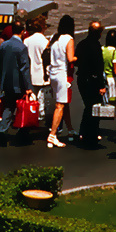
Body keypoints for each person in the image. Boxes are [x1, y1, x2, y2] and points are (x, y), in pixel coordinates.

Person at [0, 21, 31, 145]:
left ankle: (2, 130)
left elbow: (1, 64)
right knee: (22, 107)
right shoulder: (21, 47)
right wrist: (28, 86)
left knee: (9, 106)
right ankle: (23, 131)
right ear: (22, 31)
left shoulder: (4, 45)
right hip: (18, 83)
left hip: (6, 82)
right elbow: (24, 68)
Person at [45, 15, 77, 147]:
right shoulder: (69, 39)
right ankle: (52, 134)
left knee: (64, 102)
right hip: (62, 74)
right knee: (60, 105)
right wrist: (77, 56)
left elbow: (46, 51)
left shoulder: (54, 37)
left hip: (52, 73)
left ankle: (70, 130)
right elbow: (70, 58)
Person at [75, 22, 107, 147]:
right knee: (93, 108)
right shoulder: (96, 46)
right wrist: (101, 85)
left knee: (88, 106)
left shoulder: (82, 44)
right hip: (92, 80)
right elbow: (99, 67)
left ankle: (84, 132)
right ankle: (91, 134)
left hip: (81, 78)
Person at [23, 15, 50, 132]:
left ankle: (30, 119)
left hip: (30, 73)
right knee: (42, 100)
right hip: (42, 75)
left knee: (31, 99)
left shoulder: (27, 41)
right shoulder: (45, 42)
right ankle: (40, 119)